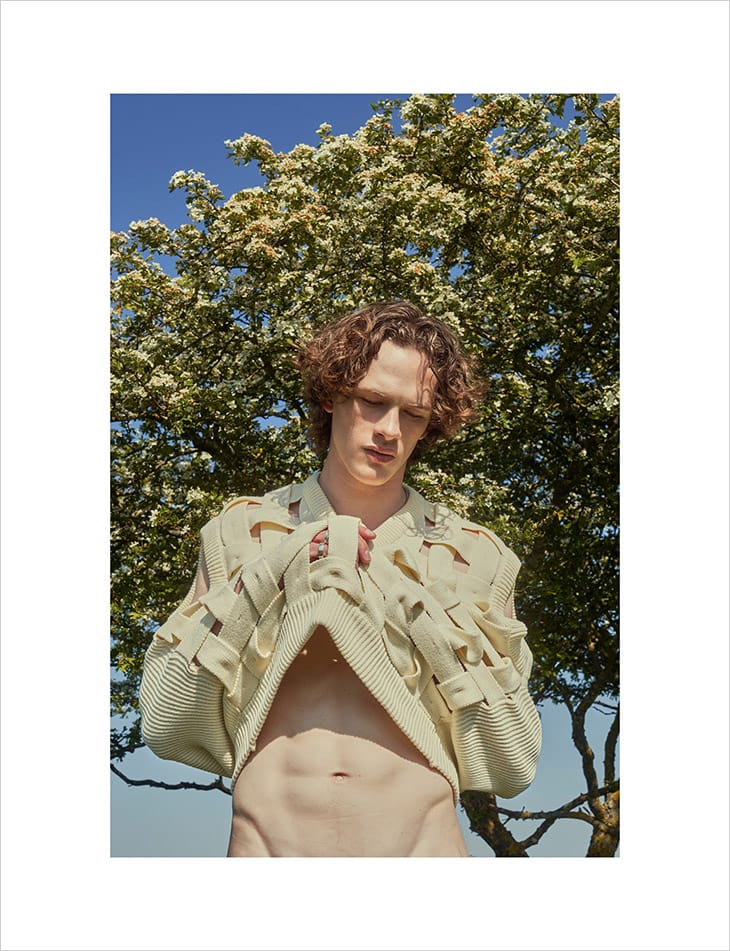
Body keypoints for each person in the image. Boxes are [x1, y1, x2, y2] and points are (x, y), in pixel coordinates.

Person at [139, 300, 542, 857]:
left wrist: (404, 595)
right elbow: (165, 720)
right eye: (373, 401)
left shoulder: (477, 555)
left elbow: (513, 760)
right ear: (331, 394)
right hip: (266, 850)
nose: (390, 431)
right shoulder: (241, 532)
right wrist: (274, 573)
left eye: (414, 414)